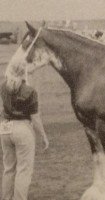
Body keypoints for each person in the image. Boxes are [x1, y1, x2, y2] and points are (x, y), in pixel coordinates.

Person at [0, 64, 49, 200]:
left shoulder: (3, 87)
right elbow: (35, 118)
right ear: (23, 75)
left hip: (5, 129)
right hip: (22, 129)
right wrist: (43, 136)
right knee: (23, 170)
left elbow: (2, 109)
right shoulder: (30, 91)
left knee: (8, 169)